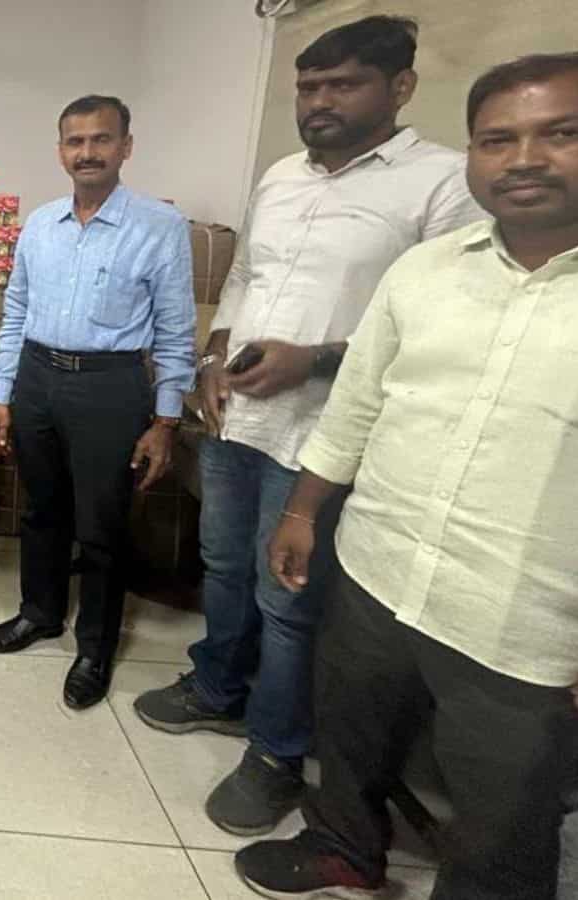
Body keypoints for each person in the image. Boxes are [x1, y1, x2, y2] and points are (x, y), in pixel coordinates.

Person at [235, 50, 578, 899]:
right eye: (496, 140)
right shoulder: (426, 271)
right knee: (352, 737)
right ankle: (344, 847)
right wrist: (303, 512)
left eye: (563, 133)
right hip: (380, 566)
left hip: (530, 620)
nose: (524, 159)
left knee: (502, 818)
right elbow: (358, 406)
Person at [131, 16, 484, 836]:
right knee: (224, 565)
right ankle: (217, 687)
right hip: (238, 418)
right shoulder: (282, 176)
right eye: (308, 86)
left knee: (288, 598)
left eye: (343, 84)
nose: (319, 101)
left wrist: (314, 360)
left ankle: (277, 753)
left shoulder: (441, 184)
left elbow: (447, 323)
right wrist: (214, 357)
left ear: (400, 87)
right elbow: (248, 276)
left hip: (327, 436)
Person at [0, 95, 195, 710]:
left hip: (111, 384)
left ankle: (95, 647)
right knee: (41, 510)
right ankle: (40, 612)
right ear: (60, 152)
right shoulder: (39, 224)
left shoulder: (159, 227)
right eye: (75, 141)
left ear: (126, 147)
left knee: (102, 525)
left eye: (101, 139)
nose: (88, 152)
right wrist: (3, 394)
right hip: (37, 377)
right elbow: (15, 312)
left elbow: (176, 329)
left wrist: (166, 419)